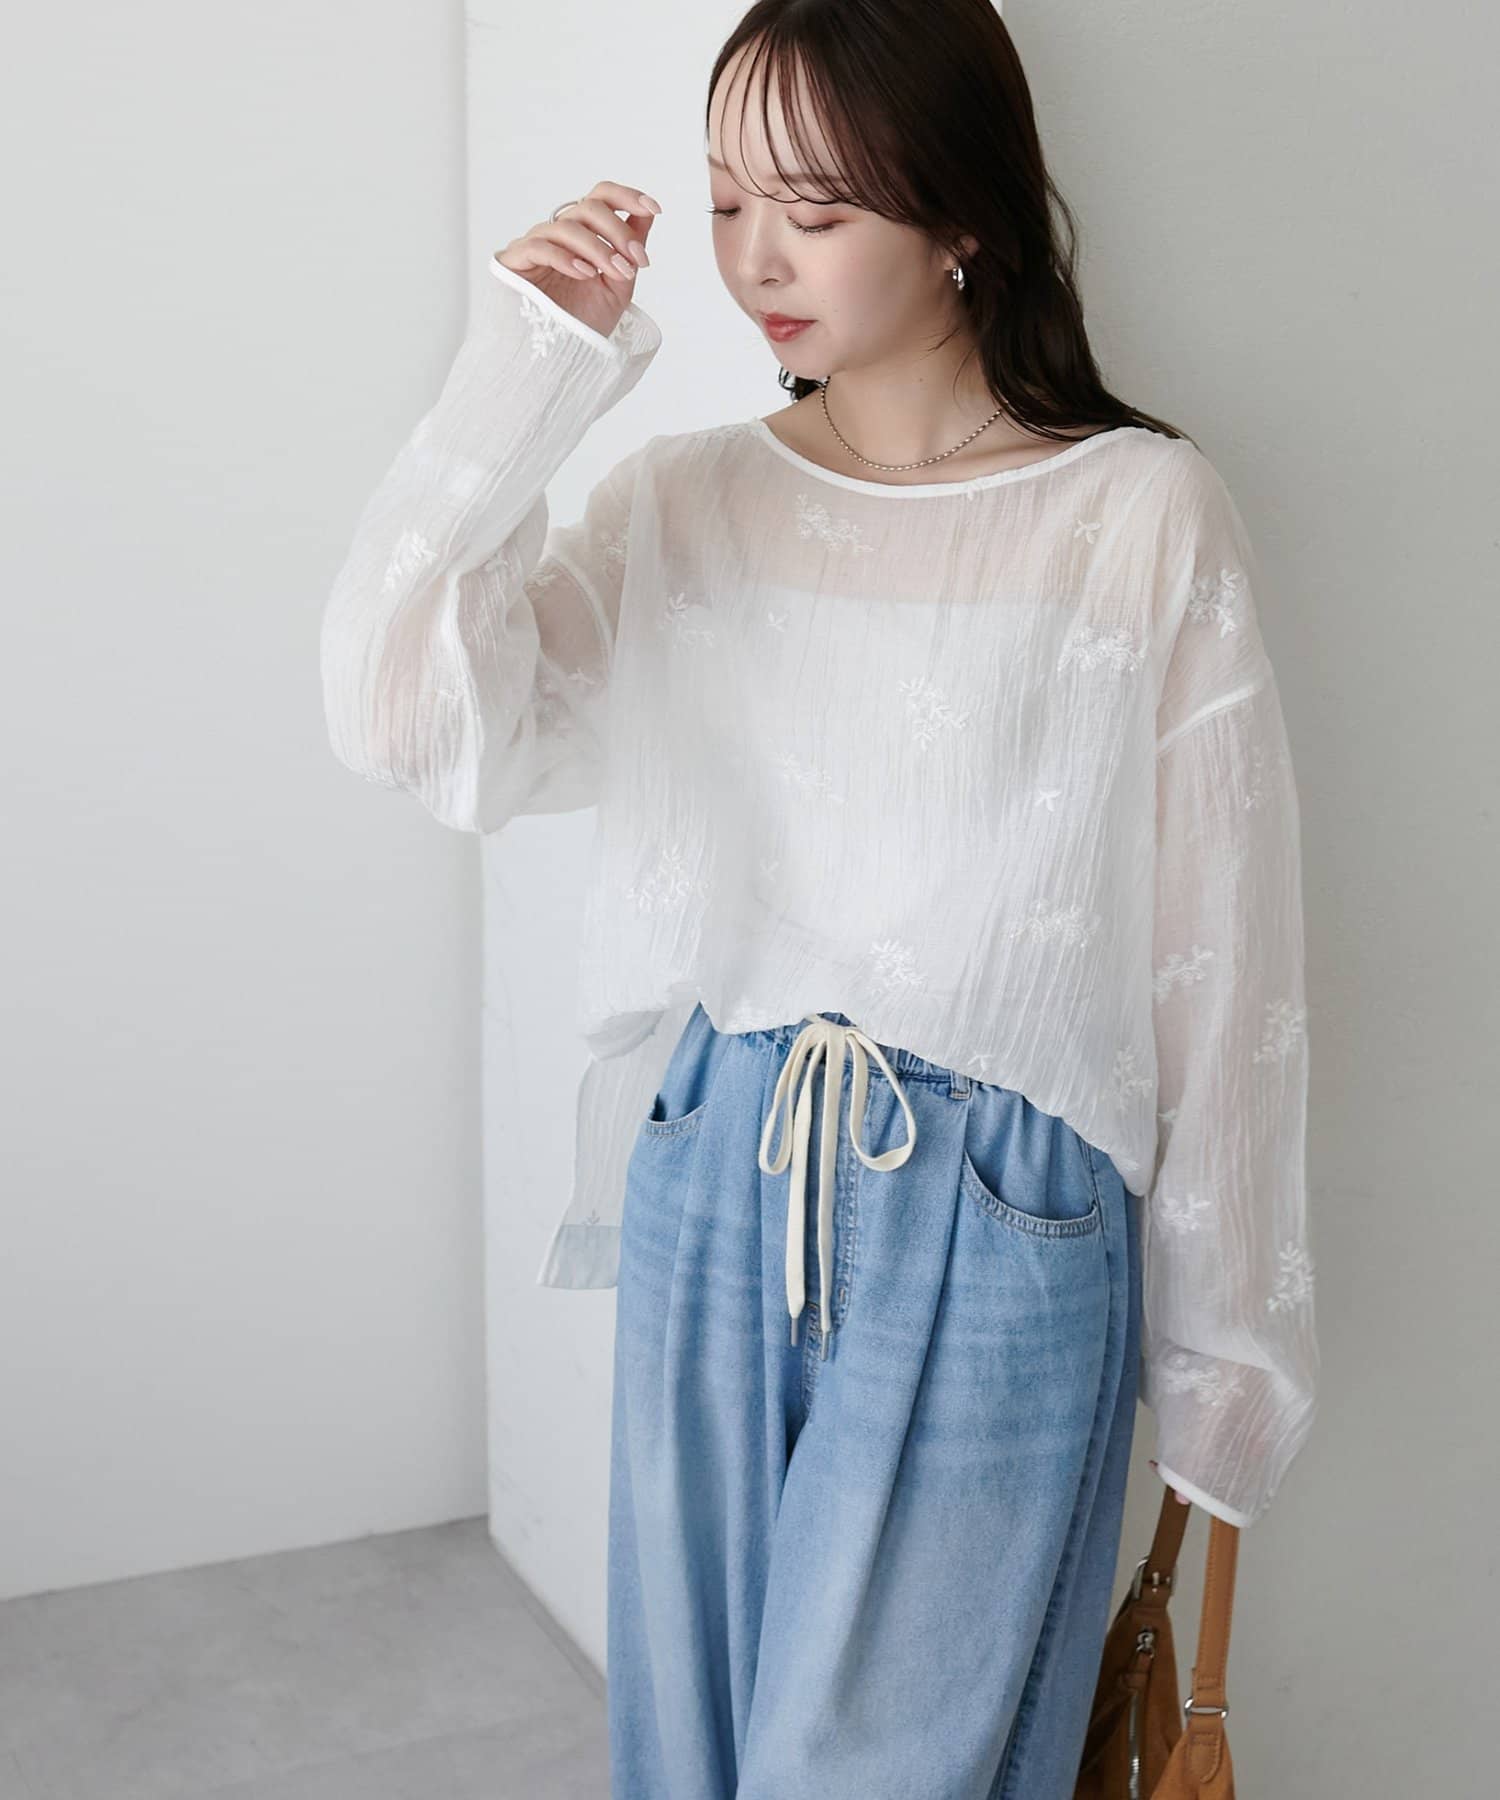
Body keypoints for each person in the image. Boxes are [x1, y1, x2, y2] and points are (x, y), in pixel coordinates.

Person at [320, 2, 1318, 1793]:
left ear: (964, 218)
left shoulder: (1140, 513)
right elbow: (410, 720)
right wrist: (527, 369)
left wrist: (1223, 1402)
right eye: (725, 202)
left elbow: (1225, 971)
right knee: (688, 1761)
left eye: (818, 210)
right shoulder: (686, 499)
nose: (754, 260)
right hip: (717, 1163)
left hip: (998, 1216)